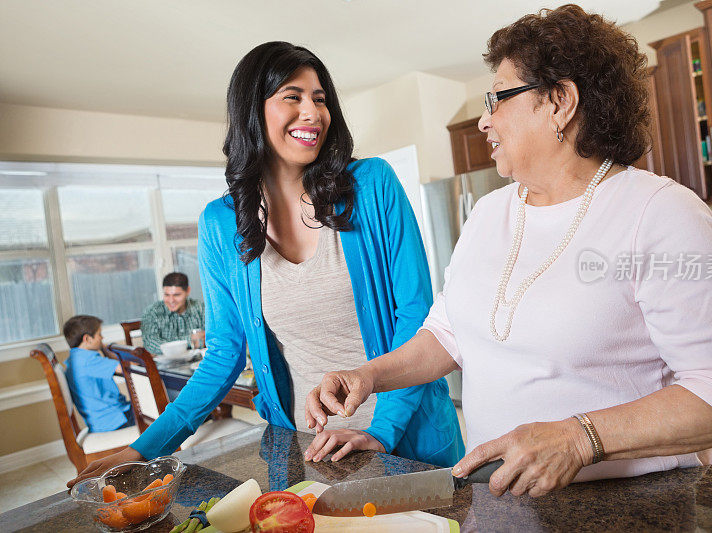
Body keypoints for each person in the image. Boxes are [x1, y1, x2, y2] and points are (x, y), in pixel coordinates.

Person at [306, 5, 712, 499]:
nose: (484, 121)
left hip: (632, 508)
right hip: (503, 503)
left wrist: (581, 438)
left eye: (497, 98)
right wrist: (368, 375)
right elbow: (448, 334)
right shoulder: (488, 214)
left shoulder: (662, 215)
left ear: (560, 102)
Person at [68, 41, 463, 488]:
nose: (313, 112)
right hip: (306, 450)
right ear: (252, 112)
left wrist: (379, 431)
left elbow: (415, 316)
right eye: (292, 97)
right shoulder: (220, 224)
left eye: (320, 98)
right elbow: (224, 354)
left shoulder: (371, 186)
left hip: (404, 442)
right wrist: (142, 449)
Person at [62, 315, 134, 432]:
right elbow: (126, 368)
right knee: (163, 411)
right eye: (99, 334)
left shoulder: (75, 358)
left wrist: (102, 347)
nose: (102, 338)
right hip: (115, 421)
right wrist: (104, 348)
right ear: (87, 339)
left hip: (103, 421)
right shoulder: (88, 361)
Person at [141, 272, 205, 355]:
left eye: (176, 295)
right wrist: (190, 340)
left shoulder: (200, 308)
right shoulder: (153, 312)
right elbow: (151, 344)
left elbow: (213, 336)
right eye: (167, 295)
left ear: (188, 291)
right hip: (164, 366)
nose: (171, 301)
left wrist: (167, 344)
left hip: (197, 363)